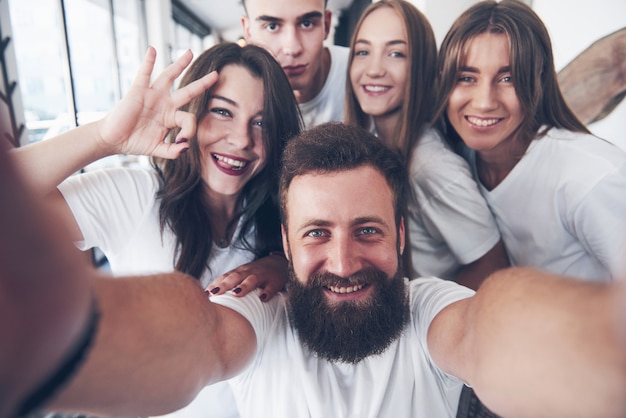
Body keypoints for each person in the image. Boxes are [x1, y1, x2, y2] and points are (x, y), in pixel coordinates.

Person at [42, 122, 626, 418]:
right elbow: (200, 334)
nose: (344, 263)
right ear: (286, 249)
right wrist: (39, 339)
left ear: (399, 236)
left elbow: (489, 331)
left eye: (367, 231)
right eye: (317, 233)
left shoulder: (428, 309)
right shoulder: (258, 314)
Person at [12, 42, 302, 418]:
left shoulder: (284, 215)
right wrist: (103, 138)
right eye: (222, 112)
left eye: (261, 122)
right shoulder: (136, 195)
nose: (242, 139)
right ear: (192, 113)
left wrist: (284, 266)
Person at [434, 0, 626, 282]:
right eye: (466, 77)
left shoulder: (592, 176)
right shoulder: (454, 162)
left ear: (539, 80)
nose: (484, 102)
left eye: (508, 78)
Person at [345, 0, 509, 290]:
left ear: (421, 65)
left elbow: (493, 263)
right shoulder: (374, 140)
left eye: (396, 53)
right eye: (363, 51)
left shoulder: (429, 163)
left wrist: (421, 316)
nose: (373, 69)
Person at [241, 0, 349, 129]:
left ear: (326, 24)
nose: (292, 49)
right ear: (248, 31)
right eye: (272, 26)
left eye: (306, 24)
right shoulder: (237, 94)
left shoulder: (362, 71)